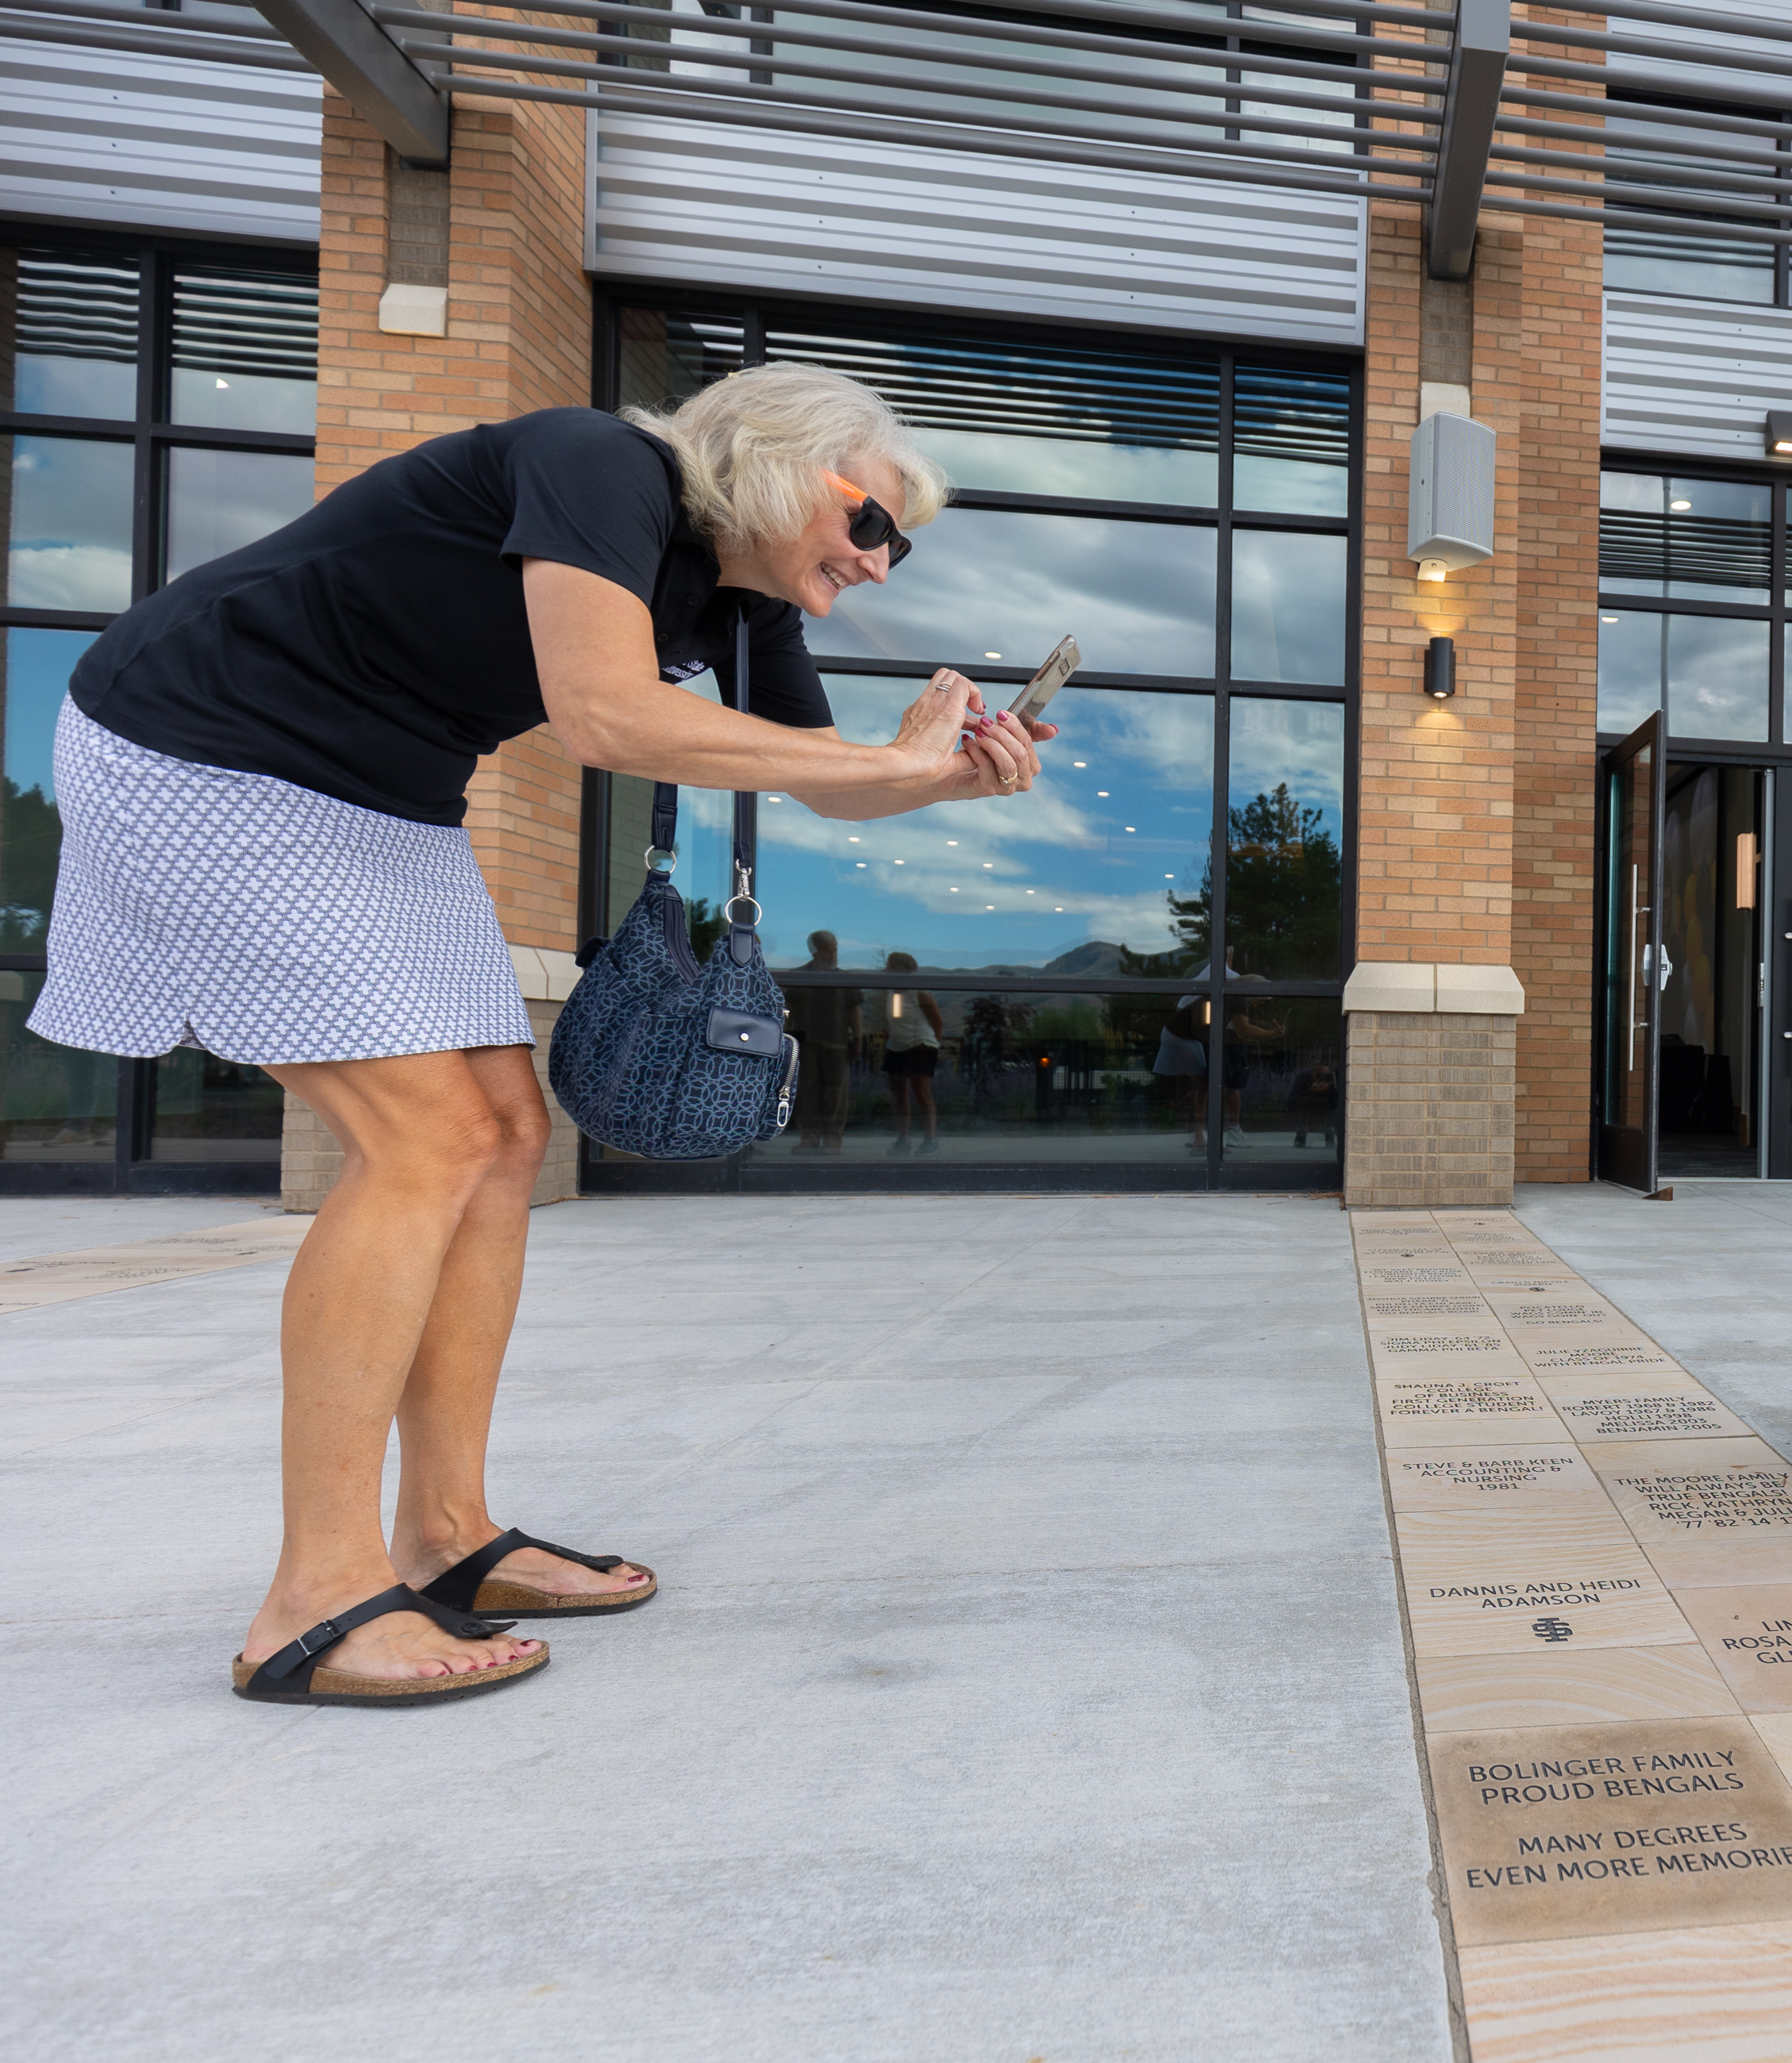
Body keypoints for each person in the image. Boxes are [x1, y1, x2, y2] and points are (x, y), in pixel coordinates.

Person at [29, 364, 1058, 1708]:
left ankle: (447, 1539)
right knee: (429, 1140)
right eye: (873, 525)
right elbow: (605, 713)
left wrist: (936, 775)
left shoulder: (743, 601)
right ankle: (315, 1599)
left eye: (896, 545)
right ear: (781, 461)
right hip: (214, 745)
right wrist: (885, 762)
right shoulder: (600, 466)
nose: (879, 564)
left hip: (382, 797)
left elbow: (829, 791)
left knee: (507, 1134)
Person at [790, 930, 859, 1153]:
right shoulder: (798, 978)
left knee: (837, 1094)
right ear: (816, 952)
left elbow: (854, 1012)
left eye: (835, 950)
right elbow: (787, 1013)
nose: (833, 955)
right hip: (807, 1042)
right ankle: (809, 1135)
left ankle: (833, 1138)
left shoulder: (845, 979)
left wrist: (858, 1037)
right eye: (828, 951)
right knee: (807, 1092)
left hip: (838, 1042)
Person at [878, 950, 944, 1154]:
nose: (886, 971)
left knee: (921, 1092)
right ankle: (903, 1138)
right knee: (899, 1093)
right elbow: (897, 1018)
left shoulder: (920, 993)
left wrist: (934, 1046)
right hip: (897, 1046)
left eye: (890, 967)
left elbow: (937, 1022)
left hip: (920, 1045)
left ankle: (930, 1138)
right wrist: (889, 1034)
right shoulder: (895, 995)